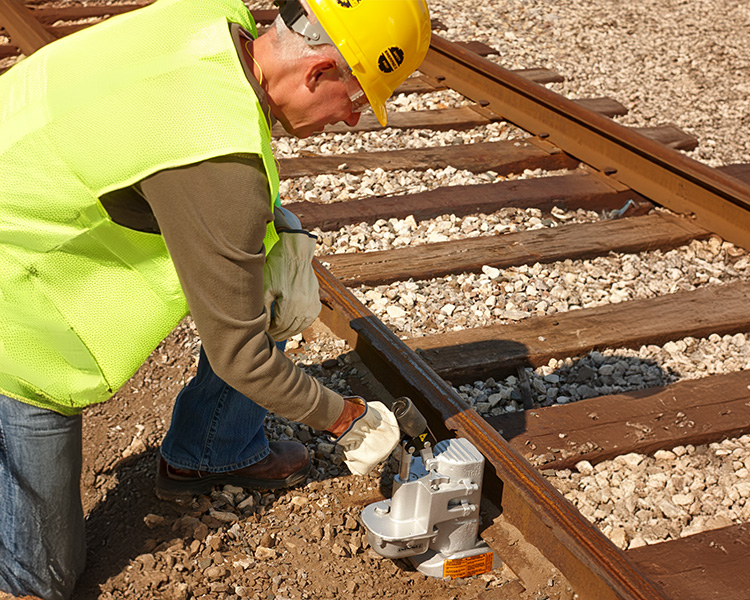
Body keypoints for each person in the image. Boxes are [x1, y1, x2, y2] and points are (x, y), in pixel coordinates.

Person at [0, 0, 431, 598]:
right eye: (356, 100)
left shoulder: (211, 16)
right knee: (43, 580)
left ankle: (210, 453)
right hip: (12, 306)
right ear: (318, 71)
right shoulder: (219, 167)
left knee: (272, 263)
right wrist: (347, 419)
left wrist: (271, 228)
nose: (353, 120)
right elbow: (242, 357)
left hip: (20, 165)